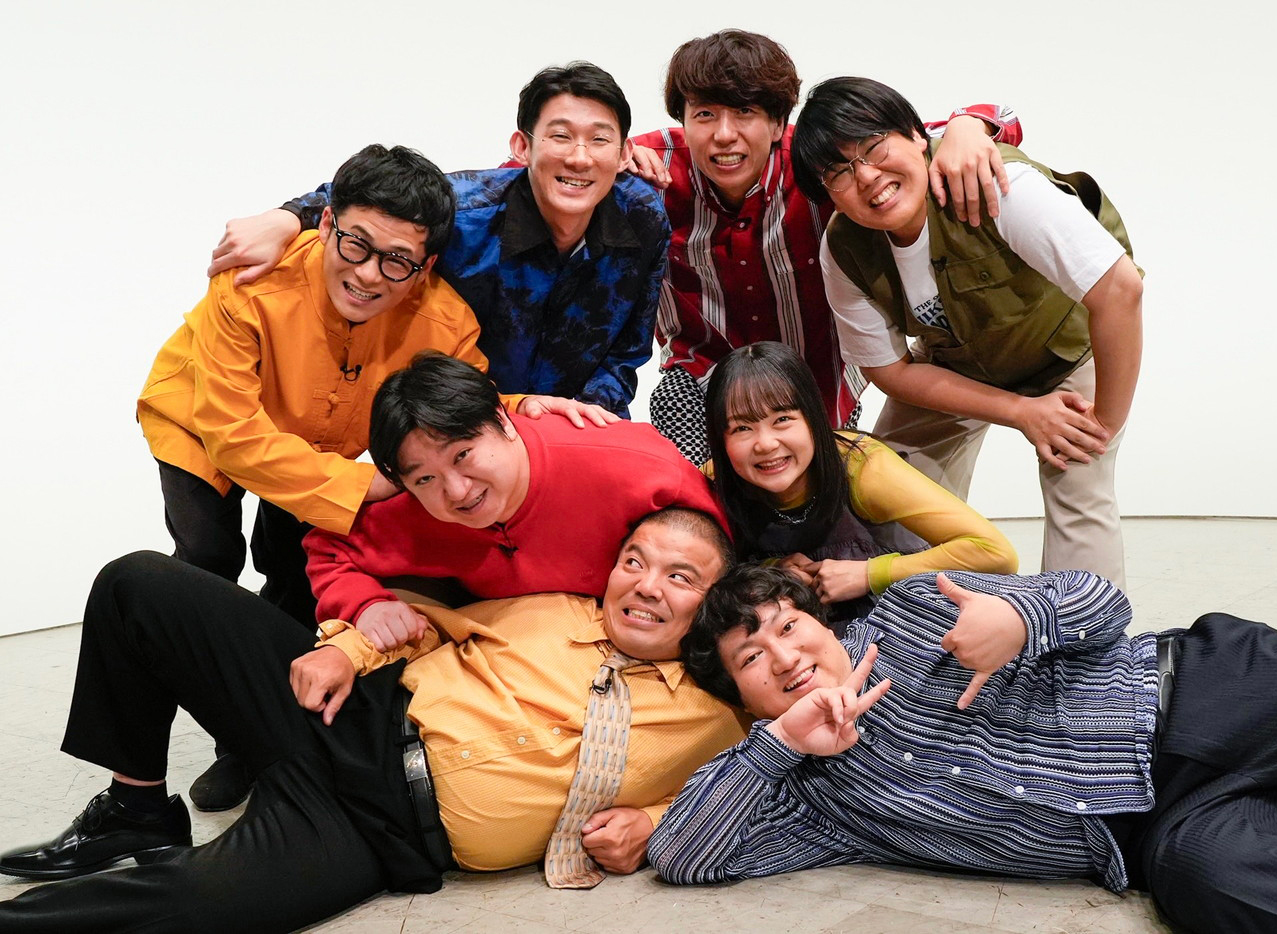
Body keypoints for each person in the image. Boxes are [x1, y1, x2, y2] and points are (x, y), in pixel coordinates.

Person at [0, 508, 747, 932]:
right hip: (346, 715)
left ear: (714, 602)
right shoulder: (555, 610)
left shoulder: (716, 723)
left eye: (679, 577)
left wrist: (650, 824)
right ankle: (136, 812)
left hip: (376, 833)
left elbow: (729, 802)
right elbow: (418, 626)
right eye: (634, 561)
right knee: (138, 584)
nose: (645, 587)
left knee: (195, 909)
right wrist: (345, 651)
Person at [136, 145, 610, 811]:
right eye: (355, 244)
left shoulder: (444, 319)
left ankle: (248, 745)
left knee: (298, 575)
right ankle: (157, 760)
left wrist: (526, 405)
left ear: (426, 265)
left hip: (315, 445)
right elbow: (232, 431)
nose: (367, 274)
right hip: (202, 423)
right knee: (207, 560)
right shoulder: (251, 283)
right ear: (327, 222)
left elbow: (466, 404)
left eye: (396, 261)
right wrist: (361, 486)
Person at [651, 564, 1277, 933]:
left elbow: (1102, 598)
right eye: (751, 659)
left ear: (819, 620)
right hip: (1167, 830)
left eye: (787, 627)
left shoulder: (912, 609)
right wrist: (784, 743)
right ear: (741, 700)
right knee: (1220, 886)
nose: (783, 657)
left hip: (1197, 689)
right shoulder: (809, 801)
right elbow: (682, 855)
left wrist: (1021, 618)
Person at [792, 77, 1144, 587]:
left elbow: (1119, 290)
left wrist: (1102, 427)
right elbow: (889, 371)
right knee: (884, 485)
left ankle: (1084, 630)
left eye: (874, 147)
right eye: (839, 172)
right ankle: (916, 615)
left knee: (1079, 485)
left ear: (916, 135)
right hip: (957, 360)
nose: (867, 176)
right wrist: (1020, 411)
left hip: (1068, 349)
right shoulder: (843, 251)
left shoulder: (998, 184)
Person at [629, 29, 1023, 464]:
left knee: (821, 501)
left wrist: (967, 127)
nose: (724, 135)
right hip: (700, 378)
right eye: (704, 114)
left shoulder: (823, 163)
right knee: (691, 491)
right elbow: (577, 159)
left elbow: (939, 135)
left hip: (818, 386)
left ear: (777, 123)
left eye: (745, 112)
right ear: (683, 121)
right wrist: (612, 163)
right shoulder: (649, 168)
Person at [206, 62, 667, 417]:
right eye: (560, 136)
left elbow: (626, 351)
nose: (580, 158)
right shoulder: (466, 211)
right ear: (522, 147)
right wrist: (287, 217)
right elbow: (377, 198)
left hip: (574, 425)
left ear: (624, 151)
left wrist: (580, 420)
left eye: (599, 140)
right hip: (456, 425)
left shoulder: (643, 218)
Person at [303, 351, 726, 652]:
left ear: (503, 419)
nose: (457, 491)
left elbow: (720, 549)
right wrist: (365, 605)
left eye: (463, 455)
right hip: (519, 655)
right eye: (426, 478)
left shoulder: (633, 468)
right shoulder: (416, 510)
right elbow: (328, 547)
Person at [705, 341, 1016, 625]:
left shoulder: (861, 466)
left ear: (813, 419)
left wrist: (869, 574)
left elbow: (995, 552)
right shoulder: (712, 482)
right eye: (742, 428)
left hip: (910, 616)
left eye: (782, 420)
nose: (765, 444)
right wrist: (771, 570)